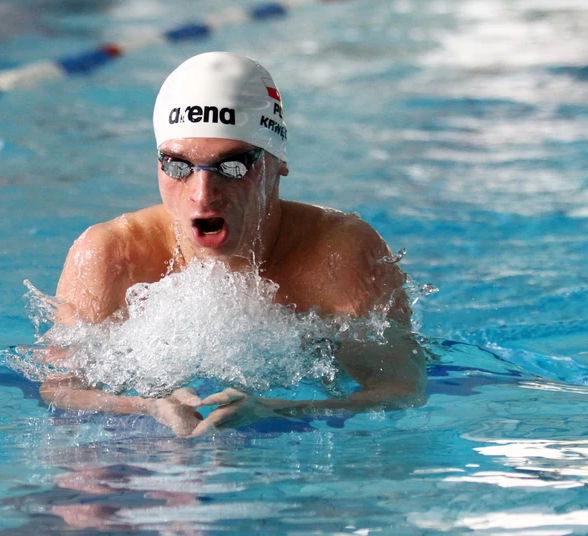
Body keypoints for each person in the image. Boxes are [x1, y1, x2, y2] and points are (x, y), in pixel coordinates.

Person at [38, 51, 426, 437]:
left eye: (233, 166)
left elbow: (401, 391)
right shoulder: (110, 254)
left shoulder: (340, 253)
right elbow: (61, 388)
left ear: (277, 162)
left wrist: (278, 410)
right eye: (177, 165)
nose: (203, 193)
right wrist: (146, 407)